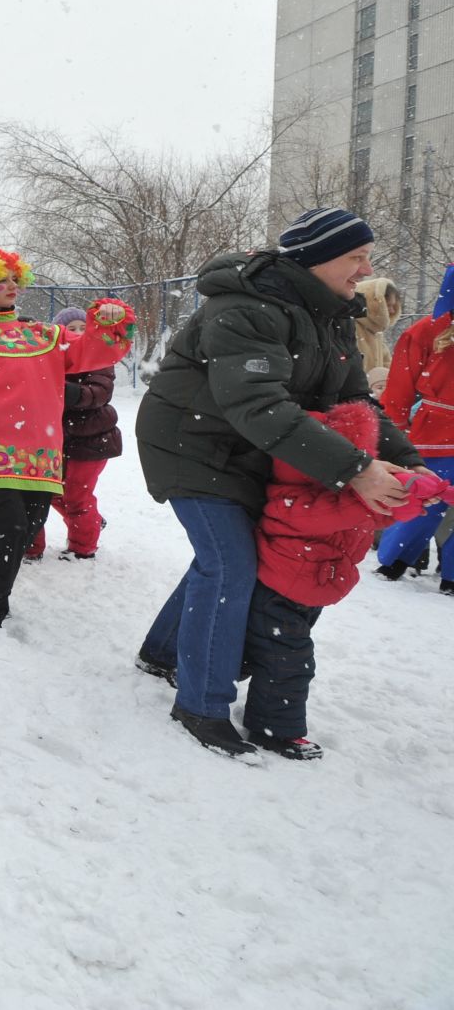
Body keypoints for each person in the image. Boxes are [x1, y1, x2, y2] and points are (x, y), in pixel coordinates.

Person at [133, 208, 423, 758]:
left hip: (249, 450)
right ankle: (202, 705)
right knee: (229, 564)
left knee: (222, 559)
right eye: (355, 257)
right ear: (315, 260)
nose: (366, 268)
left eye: (367, 256)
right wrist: (357, 470)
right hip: (191, 445)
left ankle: (164, 652)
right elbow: (259, 405)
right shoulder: (245, 309)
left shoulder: (333, 315)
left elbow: (355, 402)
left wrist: (409, 462)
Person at [0, 250, 135, 633]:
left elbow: (94, 350)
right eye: (1, 280)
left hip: (41, 457)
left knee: (22, 528)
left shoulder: (43, 335)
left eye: (14, 279)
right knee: (8, 528)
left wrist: (107, 318)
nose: (11, 286)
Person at [248, 401, 449, 759]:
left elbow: (369, 520)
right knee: (290, 662)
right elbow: (329, 515)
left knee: (270, 654)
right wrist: (373, 497)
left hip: (311, 590)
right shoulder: (291, 496)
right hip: (282, 589)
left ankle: (244, 692)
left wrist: (408, 501)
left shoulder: (348, 494)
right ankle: (275, 730)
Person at [373, 262, 454, 595]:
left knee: (425, 498)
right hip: (435, 434)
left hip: (434, 434)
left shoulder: (425, 331)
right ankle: (400, 561)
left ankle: (397, 561)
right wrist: (395, 435)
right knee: (424, 497)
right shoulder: (426, 332)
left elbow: (399, 392)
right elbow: (399, 392)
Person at [25, 305, 123, 561]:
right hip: (57, 439)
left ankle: (82, 547)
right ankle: (87, 523)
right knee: (51, 494)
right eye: (72, 329)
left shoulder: (99, 357)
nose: (79, 333)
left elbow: (99, 393)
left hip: (91, 441)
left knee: (77, 496)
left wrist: (66, 390)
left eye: (84, 328)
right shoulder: (52, 358)